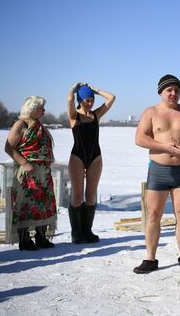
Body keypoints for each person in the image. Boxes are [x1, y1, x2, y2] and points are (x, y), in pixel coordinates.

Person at [133, 74, 180, 274]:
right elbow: (140, 138)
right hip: (158, 170)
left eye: (177, 90)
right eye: (169, 90)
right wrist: (165, 147)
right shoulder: (151, 112)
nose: (173, 94)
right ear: (161, 92)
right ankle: (150, 258)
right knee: (154, 214)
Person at [4, 96, 57, 250]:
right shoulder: (21, 124)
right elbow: (9, 148)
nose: (44, 111)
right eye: (41, 108)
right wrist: (25, 163)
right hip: (28, 172)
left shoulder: (40, 125)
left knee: (44, 204)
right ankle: (24, 239)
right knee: (26, 204)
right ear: (32, 108)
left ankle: (41, 236)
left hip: (43, 173)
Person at [67, 83, 115, 244]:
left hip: (95, 157)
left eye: (92, 100)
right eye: (87, 100)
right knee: (77, 195)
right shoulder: (74, 116)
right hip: (77, 157)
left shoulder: (96, 115)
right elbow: (69, 100)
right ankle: (76, 232)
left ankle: (87, 231)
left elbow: (112, 98)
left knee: (90, 195)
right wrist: (74, 91)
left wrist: (95, 90)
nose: (90, 103)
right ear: (80, 100)